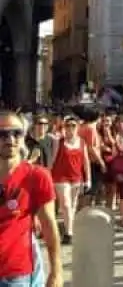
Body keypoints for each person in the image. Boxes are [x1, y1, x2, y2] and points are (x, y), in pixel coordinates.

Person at [0, 111, 63, 287]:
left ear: (24, 136)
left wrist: (56, 272)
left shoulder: (37, 176)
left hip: (16, 275)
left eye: (16, 133)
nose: (10, 139)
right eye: (2, 134)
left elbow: (50, 225)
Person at [48, 115, 91, 245]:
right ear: (64, 127)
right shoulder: (59, 142)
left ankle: (68, 231)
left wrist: (88, 179)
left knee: (72, 206)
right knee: (65, 205)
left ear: (77, 128)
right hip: (60, 177)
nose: (70, 128)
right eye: (68, 126)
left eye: (73, 126)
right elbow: (52, 160)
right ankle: (70, 232)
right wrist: (47, 175)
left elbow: (86, 161)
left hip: (76, 177)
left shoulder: (82, 142)